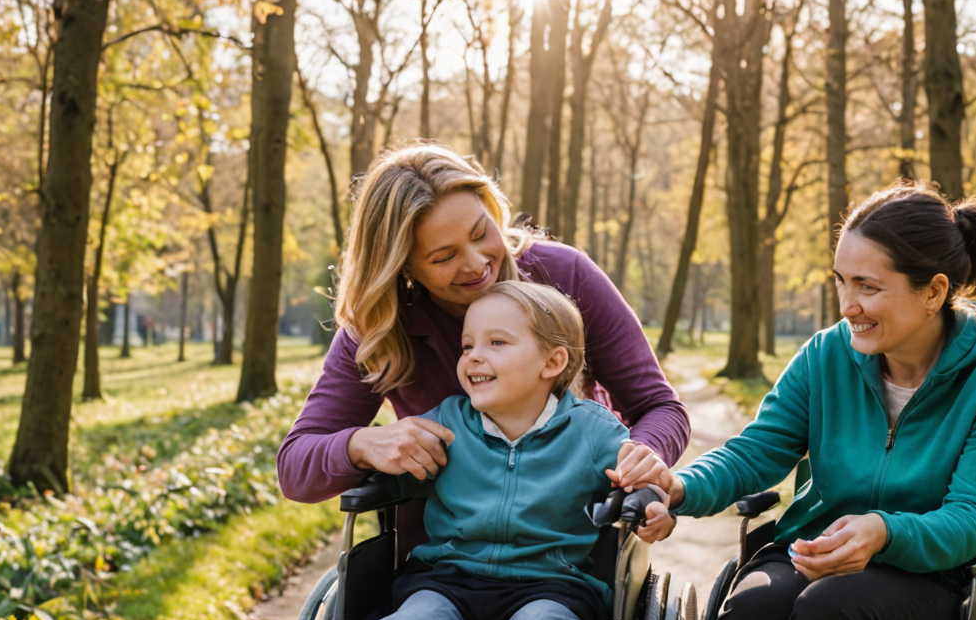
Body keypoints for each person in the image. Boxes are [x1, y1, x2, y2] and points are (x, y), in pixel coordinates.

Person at [648, 181, 976, 620]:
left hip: (937, 582)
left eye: (868, 286)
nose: (847, 304)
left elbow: (975, 519)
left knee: (831, 608)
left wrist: (884, 532)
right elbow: (757, 450)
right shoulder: (826, 355)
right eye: (841, 280)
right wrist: (681, 487)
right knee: (753, 604)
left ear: (934, 291)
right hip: (817, 551)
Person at [276, 142, 687, 546]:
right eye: (443, 257)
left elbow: (659, 406)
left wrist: (639, 457)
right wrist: (360, 444)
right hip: (441, 557)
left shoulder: (565, 277)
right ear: (403, 266)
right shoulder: (381, 326)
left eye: (480, 232)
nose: (476, 263)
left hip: (572, 546)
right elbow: (295, 468)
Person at [356, 281, 671, 620]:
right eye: (468, 345)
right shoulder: (447, 422)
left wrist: (651, 501)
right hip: (448, 581)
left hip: (551, 586)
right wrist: (378, 463)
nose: (474, 357)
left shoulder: (593, 431)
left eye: (496, 343)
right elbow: (399, 478)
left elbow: (636, 480)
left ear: (552, 363)